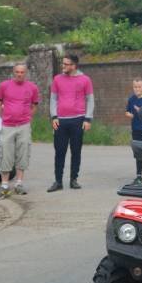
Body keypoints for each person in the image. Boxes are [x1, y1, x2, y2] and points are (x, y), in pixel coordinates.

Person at [47, 54, 94, 192]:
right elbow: (53, 99)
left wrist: (88, 119)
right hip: (60, 121)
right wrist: (54, 116)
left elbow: (90, 100)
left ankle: (74, 179)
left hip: (78, 120)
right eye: (63, 63)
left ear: (74, 65)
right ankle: (58, 181)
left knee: (76, 151)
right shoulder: (57, 79)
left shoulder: (85, 80)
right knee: (59, 151)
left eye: (66, 64)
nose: (63, 66)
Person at [0, 63, 40, 198]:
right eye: (17, 72)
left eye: (22, 72)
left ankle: (19, 184)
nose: (19, 74)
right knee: (6, 153)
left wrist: (28, 118)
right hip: (7, 125)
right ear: (13, 72)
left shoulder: (32, 88)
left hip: (24, 126)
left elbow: (34, 105)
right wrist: (3, 117)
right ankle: (4, 186)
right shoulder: (4, 86)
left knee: (23, 152)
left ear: (25, 73)